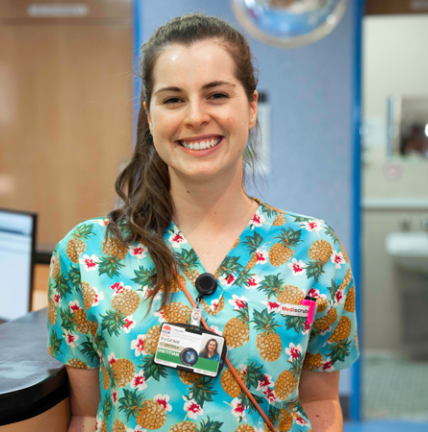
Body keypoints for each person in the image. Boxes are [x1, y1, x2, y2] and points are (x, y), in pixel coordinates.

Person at [46, 13, 359, 432]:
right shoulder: (85, 255)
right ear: (149, 115)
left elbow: (321, 403)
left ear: (250, 108)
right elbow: (85, 414)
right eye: (173, 99)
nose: (195, 116)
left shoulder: (314, 250)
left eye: (216, 95)